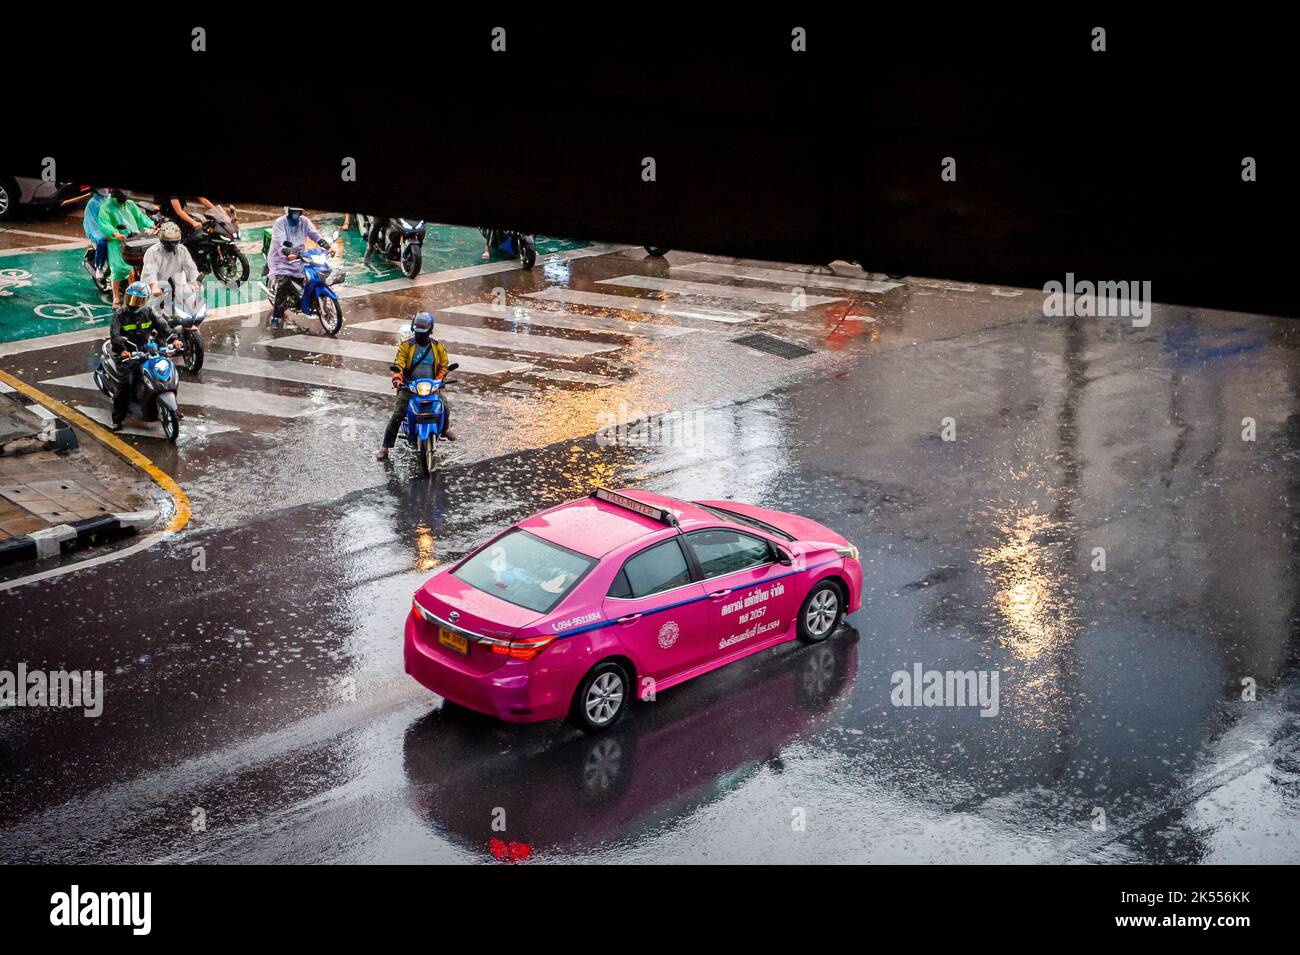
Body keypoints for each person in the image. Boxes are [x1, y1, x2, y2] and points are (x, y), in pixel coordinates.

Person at [376, 311, 456, 459]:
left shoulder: (438, 347)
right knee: (398, 414)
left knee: (445, 408)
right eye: (417, 332)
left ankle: (444, 430)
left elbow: (444, 366)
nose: (420, 335)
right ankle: (385, 447)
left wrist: (440, 380)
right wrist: (397, 379)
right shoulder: (406, 347)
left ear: (430, 331)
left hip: (431, 387)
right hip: (409, 387)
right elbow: (398, 364)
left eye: (423, 332)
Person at [107, 281, 181, 430]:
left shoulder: (148, 311)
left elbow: (162, 324)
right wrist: (122, 350)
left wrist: (174, 339)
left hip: (144, 349)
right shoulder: (120, 314)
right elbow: (115, 335)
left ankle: (172, 408)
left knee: (164, 375)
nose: (134, 303)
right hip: (127, 353)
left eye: (139, 300)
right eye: (132, 299)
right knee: (124, 386)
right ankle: (117, 419)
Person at [266, 206, 325, 328]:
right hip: (281, 258)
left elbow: (314, 234)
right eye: (294, 211)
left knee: (315, 275)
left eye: (298, 211)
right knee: (283, 284)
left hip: (300, 256)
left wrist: (327, 246)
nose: (296, 214)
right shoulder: (280, 223)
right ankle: (277, 316)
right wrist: (288, 252)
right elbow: (280, 242)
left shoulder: (304, 221)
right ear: (288, 211)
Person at [97, 189, 155, 307]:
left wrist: (151, 225)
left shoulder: (129, 204)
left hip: (133, 240)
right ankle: (116, 297)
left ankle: (131, 296)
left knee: (132, 270)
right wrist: (115, 233)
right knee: (118, 270)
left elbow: (140, 217)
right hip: (116, 242)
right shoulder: (106, 207)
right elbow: (105, 223)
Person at [140, 221, 201, 303]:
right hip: (154, 290)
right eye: (167, 242)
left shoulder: (182, 250)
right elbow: (150, 272)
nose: (171, 245)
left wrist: (195, 282)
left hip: (173, 286)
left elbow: (191, 268)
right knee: (152, 309)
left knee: (190, 297)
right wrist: (154, 286)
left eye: (174, 242)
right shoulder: (152, 252)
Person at [83, 188, 111, 277]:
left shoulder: (110, 199)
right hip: (98, 232)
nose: (105, 189)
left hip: (112, 230)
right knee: (102, 243)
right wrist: (104, 236)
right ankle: (99, 267)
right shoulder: (92, 204)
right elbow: (93, 225)